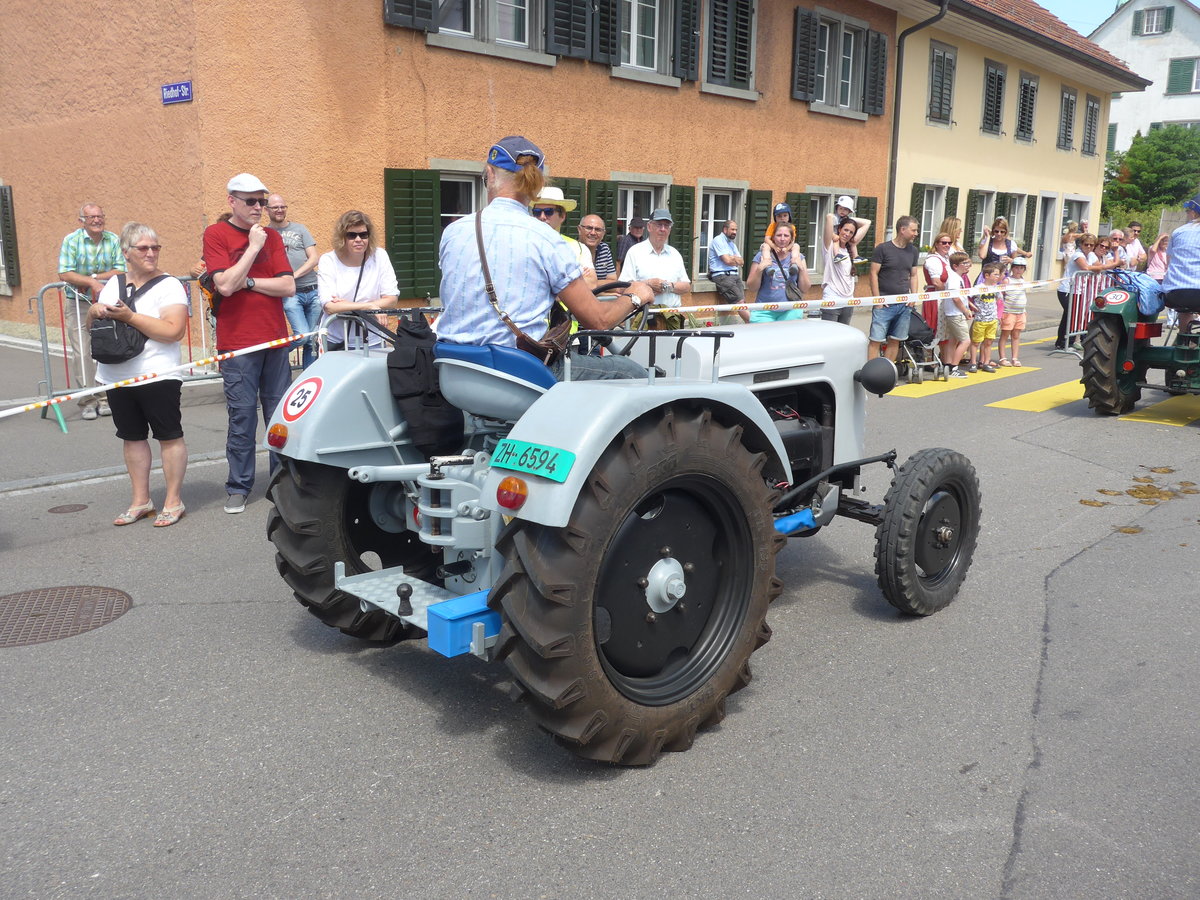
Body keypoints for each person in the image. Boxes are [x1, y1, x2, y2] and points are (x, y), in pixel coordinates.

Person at [435, 135, 651, 380]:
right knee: (632, 372)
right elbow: (599, 321)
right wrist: (636, 295)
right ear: (536, 187)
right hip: (514, 375)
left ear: (490, 175)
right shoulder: (546, 239)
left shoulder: (453, 232)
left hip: (455, 372)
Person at [202, 172, 295, 514]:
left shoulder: (272, 236)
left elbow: (288, 287)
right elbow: (224, 285)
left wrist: (250, 280)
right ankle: (238, 486)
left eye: (262, 200)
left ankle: (280, 483)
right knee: (242, 417)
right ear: (232, 201)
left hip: (275, 338)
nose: (260, 207)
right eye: (251, 201)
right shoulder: (216, 234)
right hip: (238, 343)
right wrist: (252, 248)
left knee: (279, 417)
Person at [86, 223, 189, 527]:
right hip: (116, 375)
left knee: (168, 437)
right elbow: (94, 324)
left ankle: (173, 501)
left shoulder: (169, 285)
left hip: (156, 374)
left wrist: (130, 317)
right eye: (143, 248)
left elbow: (174, 331)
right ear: (126, 252)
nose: (151, 253)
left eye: (155, 247)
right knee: (131, 438)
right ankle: (140, 501)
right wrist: (95, 312)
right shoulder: (114, 283)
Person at [58, 203, 126, 420]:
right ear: (82, 220)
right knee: (83, 352)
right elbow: (65, 273)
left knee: (106, 347)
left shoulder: (113, 239)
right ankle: (88, 400)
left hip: (106, 302)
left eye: (100, 216)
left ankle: (105, 397)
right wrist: (89, 282)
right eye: (91, 217)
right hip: (79, 302)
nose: (97, 220)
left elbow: (121, 268)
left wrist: (93, 280)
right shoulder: (71, 241)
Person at [318, 210, 399, 351]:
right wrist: (369, 307)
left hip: (372, 339)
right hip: (336, 340)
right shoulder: (328, 260)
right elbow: (330, 307)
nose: (358, 239)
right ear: (343, 237)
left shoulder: (379, 256)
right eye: (351, 235)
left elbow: (392, 299)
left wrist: (348, 305)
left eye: (363, 235)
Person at [266, 194, 320, 368]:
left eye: (283, 206)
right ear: (267, 210)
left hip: (313, 290)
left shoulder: (300, 229)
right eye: (275, 207)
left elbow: (313, 259)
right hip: (290, 294)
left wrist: (293, 276)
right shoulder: (265, 234)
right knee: (303, 335)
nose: (280, 210)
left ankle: (308, 380)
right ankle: (272, 357)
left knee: (312, 341)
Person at [619, 207, 692, 327]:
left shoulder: (675, 254)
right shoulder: (635, 252)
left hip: (672, 319)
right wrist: (647, 284)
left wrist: (667, 287)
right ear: (649, 227)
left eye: (667, 225)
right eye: (659, 225)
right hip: (643, 319)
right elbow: (622, 288)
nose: (663, 229)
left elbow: (686, 286)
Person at [868, 215, 921, 361]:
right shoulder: (883, 249)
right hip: (884, 304)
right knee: (876, 340)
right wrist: (877, 299)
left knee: (896, 339)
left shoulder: (913, 251)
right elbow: (873, 273)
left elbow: (914, 275)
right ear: (902, 230)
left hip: (903, 304)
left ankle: (887, 373)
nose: (916, 233)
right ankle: (873, 373)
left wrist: (913, 296)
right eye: (913, 230)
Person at [745, 222, 810, 323]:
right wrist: (759, 269)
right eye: (779, 235)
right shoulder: (761, 255)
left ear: (791, 239)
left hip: (791, 309)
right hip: (764, 310)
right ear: (773, 237)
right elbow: (752, 288)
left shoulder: (798, 257)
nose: (782, 239)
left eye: (786, 235)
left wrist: (801, 268)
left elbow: (805, 288)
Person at [531, 187, 596, 286]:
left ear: (562, 216)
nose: (542, 217)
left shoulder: (579, 248)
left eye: (549, 211)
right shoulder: (524, 244)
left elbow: (591, 283)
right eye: (537, 212)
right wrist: (573, 279)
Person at [1055, 233, 1109, 350]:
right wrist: (1097, 268)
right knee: (1071, 314)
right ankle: (1064, 341)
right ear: (1081, 244)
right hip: (1067, 290)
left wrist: (1097, 268)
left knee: (1071, 315)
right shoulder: (1078, 254)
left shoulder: (1090, 255)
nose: (1089, 247)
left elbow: (1099, 266)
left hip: (1079, 290)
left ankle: (1064, 341)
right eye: (1086, 244)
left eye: (1091, 245)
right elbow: (1085, 267)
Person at [821, 210, 871, 325]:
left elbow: (867, 222)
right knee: (830, 336)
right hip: (832, 299)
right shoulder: (830, 246)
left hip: (849, 300)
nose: (847, 234)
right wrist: (840, 218)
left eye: (851, 232)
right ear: (839, 229)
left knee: (844, 336)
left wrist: (848, 218)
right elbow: (829, 217)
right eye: (845, 230)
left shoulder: (851, 248)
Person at [1162, 193, 1200, 333]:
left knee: (1185, 310)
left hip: (1175, 293)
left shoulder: (1178, 232)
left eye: (1188, 210)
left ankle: (1185, 339)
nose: (1187, 214)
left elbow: (1169, 261)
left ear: (1194, 212)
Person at [940, 252, 974, 378]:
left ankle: (948, 365)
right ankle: (954, 367)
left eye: (968, 262)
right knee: (965, 341)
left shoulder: (958, 278)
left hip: (954, 313)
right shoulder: (954, 278)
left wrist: (970, 305)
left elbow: (961, 297)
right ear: (955, 266)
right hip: (956, 314)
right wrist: (965, 310)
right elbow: (955, 298)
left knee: (953, 340)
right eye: (964, 263)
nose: (967, 265)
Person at [967, 262, 1003, 373]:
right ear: (987, 276)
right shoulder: (978, 288)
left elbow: (999, 301)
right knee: (976, 342)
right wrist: (972, 307)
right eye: (995, 274)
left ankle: (986, 362)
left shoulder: (996, 289)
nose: (998, 277)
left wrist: (998, 316)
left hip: (992, 320)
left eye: (998, 275)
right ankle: (973, 362)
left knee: (989, 342)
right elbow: (966, 297)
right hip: (980, 320)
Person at [998, 256, 1029, 367]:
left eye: (1021, 268)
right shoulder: (1007, 280)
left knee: (1016, 335)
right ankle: (1002, 358)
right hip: (1008, 311)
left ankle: (1015, 358)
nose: (1018, 270)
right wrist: (1000, 312)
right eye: (1016, 268)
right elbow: (1001, 296)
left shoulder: (1023, 281)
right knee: (1005, 335)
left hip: (1020, 312)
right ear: (1012, 268)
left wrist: (1024, 310)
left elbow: (1023, 295)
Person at [708, 219, 745, 308]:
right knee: (740, 302)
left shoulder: (732, 244)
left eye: (736, 230)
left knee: (743, 303)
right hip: (723, 276)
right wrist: (734, 259)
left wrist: (733, 258)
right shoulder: (718, 240)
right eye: (732, 229)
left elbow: (742, 262)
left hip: (734, 275)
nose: (735, 232)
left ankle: (749, 321)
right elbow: (727, 261)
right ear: (725, 229)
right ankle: (753, 322)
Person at [577, 214, 617, 280]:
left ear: (603, 234)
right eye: (589, 228)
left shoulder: (604, 249)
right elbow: (569, 285)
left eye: (598, 229)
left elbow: (613, 282)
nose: (593, 233)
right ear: (579, 230)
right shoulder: (571, 249)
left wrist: (592, 283)